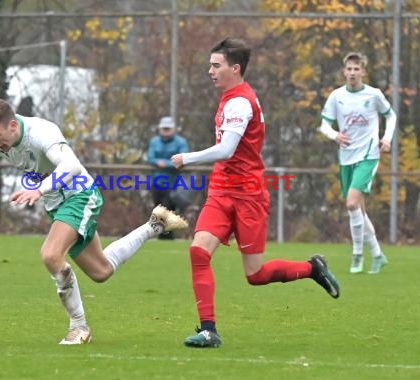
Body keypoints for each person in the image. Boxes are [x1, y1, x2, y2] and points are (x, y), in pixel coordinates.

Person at [0, 99, 188, 345]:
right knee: (101, 271)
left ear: (13, 125)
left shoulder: (41, 132)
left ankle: (79, 328)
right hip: (57, 204)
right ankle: (154, 226)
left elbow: (72, 166)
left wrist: (39, 190)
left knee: (51, 255)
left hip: (79, 195)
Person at [171, 38, 341, 348]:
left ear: (234, 69)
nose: (209, 70)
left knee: (256, 274)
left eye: (216, 65)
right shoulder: (228, 97)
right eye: (210, 64)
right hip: (222, 190)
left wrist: (187, 158)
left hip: (248, 195)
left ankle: (312, 268)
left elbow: (226, 149)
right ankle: (209, 330)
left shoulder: (239, 102)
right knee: (198, 251)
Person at [319, 52, 396, 275]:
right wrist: (335, 136)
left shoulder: (374, 95)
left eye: (357, 69)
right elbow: (324, 125)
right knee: (359, 211)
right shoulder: (336, 96)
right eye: (349, 69)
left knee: (352, 204)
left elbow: (391, 116)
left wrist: (387, 138)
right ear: (344, 72)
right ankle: (379, 255)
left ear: (363, 71)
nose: (352, 73)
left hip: (368, 155)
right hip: (346, 157)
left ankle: (357, 254)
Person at [147, 116, 189, 239]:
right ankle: (160, 235)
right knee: (157, 209)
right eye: (164, 128)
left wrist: (164, 163)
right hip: (157, 181)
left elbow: (182, 159)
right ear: (160, 129)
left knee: (168, 209)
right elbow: (151, 158)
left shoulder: (181, 142)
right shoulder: (154, 141)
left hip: (173, 183)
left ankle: (168, 236)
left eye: (168, 129)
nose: (166, 131)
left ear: (173, 129)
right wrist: (169, 163)